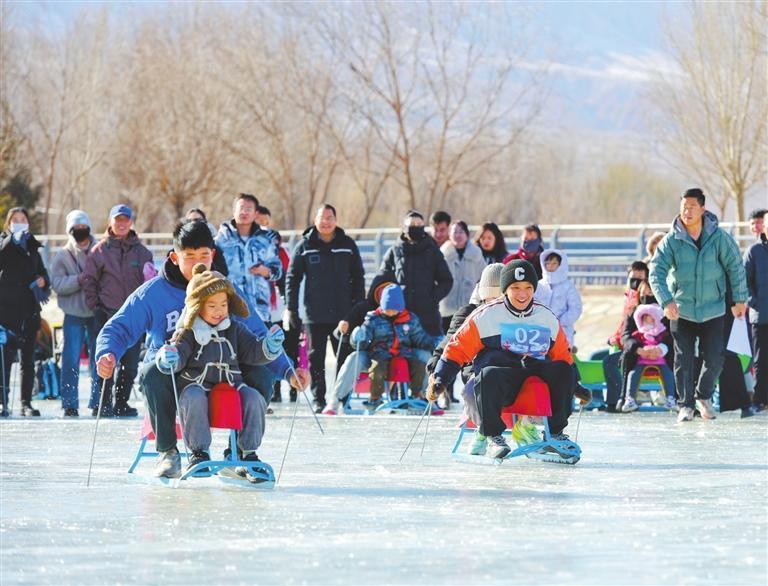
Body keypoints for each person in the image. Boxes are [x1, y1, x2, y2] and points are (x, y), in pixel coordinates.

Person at [94, 220, 310, 478]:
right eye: (189, 256)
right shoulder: (153, 293)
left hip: (221, 371)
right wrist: (107, 353)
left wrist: (288, 372)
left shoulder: (224, 291)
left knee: (260, 373)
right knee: (151, 373)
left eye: (204, 255)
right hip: (173, 371)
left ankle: (240, 453)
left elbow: (257, 336)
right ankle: (168, 452)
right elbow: (118, 327)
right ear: (174, 257)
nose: (198, 261)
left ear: (213, 255)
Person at [428, 260, 575, 460]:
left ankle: (555, 433)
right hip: (503, 378)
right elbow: (456, 348)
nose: (522, 294)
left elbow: (562, 356)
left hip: (531, 372)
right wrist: (440, 378)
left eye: (528, 288)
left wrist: (578, 385)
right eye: (515, 288)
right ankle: (492, 435)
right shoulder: (485, 315)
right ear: (505, 290)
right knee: (488, 374)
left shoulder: (545, 316)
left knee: (562, 369)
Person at [154, 263, 285, 482]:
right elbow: (178, 352)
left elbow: (253, 351)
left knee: (254, 398)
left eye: (223, 305)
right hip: (197, 384)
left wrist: (269, 347)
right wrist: (169, 358)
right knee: (193, 398)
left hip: (231, 384)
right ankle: (199, 452)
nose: (219, 311)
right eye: (212, 305)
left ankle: (247, 453)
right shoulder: (189, 331)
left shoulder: (234, 328)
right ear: (198, 306)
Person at [649, 188, 747, 423]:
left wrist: (739, 299)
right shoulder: (672, 239)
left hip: (713, 307)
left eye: (692, 206)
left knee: (715, 358)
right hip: (681, 309)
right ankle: (685, 405)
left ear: (703, 209)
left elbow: (735, 266)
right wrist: (666, 300)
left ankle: (703, 396)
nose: (687, 211)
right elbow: (656, 272)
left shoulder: (719, 238)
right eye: (684, 206)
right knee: (683, 359)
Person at [285, 203, 365, 412]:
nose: (326, 222)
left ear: (335, 220)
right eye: (322, 218)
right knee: (316, 359)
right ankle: (319, 399)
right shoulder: (304, 246)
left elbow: (358, 277)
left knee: (344, 358)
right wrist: (291, 309)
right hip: (315, 314)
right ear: (315, 220)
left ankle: (341, 397)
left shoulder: (347, 245)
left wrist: (358, 309)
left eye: (330, 217)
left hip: (343, 315)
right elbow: (292, 279)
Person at [82, 204, 153, 418]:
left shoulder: (142, 252)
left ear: (131, 222)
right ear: (110, 222)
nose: (122, 224)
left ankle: (122, 402)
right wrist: (96, 307)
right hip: (107, 314)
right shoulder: (99, 250)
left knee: (130, 364)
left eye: (126, 220)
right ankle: (103, 402)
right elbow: (88, 280)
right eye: (117, 220)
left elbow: (149, 283)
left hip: (134, 317)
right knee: (105, 360)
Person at [427, 263, 505, 413]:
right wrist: (436, 372)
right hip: (476, 369)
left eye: (500, 298)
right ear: (483, 295)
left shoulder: (514, 313)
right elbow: (450, 342)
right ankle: (484, 421)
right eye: (492, 298)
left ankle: (525, 423)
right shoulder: (469, 313)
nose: (496, 304)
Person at [349, 285, 440, 409]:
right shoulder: (373, 319)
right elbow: (364, 342)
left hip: (404, 354)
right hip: (380, 354)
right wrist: (357, 339)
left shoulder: (410, 319)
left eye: (394, 309)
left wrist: (437, 342)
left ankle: (416, 394)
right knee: (377, 370)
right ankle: (375, 397)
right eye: (388, 309)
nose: (391, 312)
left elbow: (421, 339)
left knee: (419, 367)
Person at [0, 207, 49, 417]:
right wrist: (13, 238)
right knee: (5, 361)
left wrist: (42, 280)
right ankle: (3, 402)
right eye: (15, 219)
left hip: (29, 311)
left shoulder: (33, 246)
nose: (19, 222)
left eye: (23, 219)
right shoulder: (3, 244)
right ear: (8, 223)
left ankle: (26, 402)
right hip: (7, 312)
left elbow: (44, 273)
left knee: (28, 361)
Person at [325, 275, 397, 413]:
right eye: (382, 292)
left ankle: (422, 399)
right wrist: (344, 330)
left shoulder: (402, 312)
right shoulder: (364, 309)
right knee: (354, 357)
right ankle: (335, 400)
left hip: (395, 355)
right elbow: (342, 334)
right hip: (370, 355)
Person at [50, 210, 97, 417]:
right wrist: (79, 280)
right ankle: (70, 403)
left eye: (83, 226)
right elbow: (57, 284)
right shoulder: (62, 255)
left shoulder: (100, 250)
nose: (80, 230)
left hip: (96, 312)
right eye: (76, 228)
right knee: (70, 358)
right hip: (73, 313)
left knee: (100, 358)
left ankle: (99, 401)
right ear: (70, 230)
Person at [377, 211, 453, 336]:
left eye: (419, 224)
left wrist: (431, 298)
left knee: (429, 353)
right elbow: (382, 279)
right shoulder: (394, 251)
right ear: (404, 227)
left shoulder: (432, 250)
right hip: (400, 315)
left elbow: (446, 280)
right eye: (412, 224)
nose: (416, 227)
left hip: (427, 316)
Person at [215, 193, 282, 324]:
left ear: (256, 213)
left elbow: (278, 270)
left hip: (259, 311)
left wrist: (266, 271)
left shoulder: (265, 240)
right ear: (234, 211)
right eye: (241, 208)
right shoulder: (221, 240)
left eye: (249, 209)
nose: (244, 212)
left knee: (261, 344)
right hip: (229, 312)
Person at [603, 261, 660, 411]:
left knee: (612, 361)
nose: (636, 282)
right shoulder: (629, 298)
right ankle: (615, 399)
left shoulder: (650, 303)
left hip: (647, 349)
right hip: (630, 345)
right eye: (633, 278)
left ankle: (620, 399)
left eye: (640, 278)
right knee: (602, 357)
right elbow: (625, 326)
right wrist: (616, 337)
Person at [620, 304, 676, 412]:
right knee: (633, 374)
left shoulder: (661, 332)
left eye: (650, 319)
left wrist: (660, 349)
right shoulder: (639, 333)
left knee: (668, 374)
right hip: (642, 359)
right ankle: (629, 398)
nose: (648, 321)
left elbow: (668, 340)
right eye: (645, 319)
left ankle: (671, 398)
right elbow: (631, 340)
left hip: (659, 360)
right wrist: (640, 349)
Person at [439, 221, 486, 334]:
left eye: (461, 232)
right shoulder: (442, 254)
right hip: (447, 307)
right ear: (450, 235)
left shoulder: (476, 254)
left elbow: (483, 277)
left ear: (467, 234)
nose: (458, 235)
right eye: (455, 232)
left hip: (469, 307)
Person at [536, 249, 582, 349]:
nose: (550, 266)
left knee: (561, 358)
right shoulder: (539, 285)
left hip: (563, 331)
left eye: (554, 263)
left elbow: (576, 308)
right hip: (541, 331)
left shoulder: (568, 286)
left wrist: (561, 322)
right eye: (547, 263)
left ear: (561, 264)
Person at [744, 218, 768, 411]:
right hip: (761, 315)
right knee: (761, 359)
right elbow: (745, 282)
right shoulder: (754, 251)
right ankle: (760, 399)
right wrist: (755, 303)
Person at [184, 208, 228, 275]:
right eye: (189, 221)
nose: (193, 223)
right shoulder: (181, 247)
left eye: (197, 220)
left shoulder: (213, 248)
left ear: (205, 223)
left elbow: (223, 272)